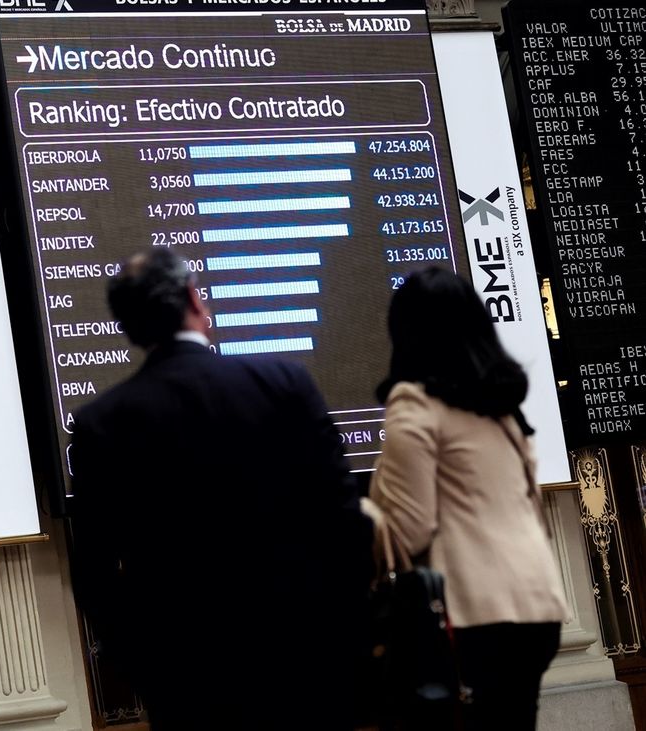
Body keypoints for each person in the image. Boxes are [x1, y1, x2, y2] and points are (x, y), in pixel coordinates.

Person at [67, 249, 371, 729]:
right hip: (304, 657)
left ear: (128, 329)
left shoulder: (100, 425)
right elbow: (344, 519)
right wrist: (346, 635)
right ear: (194, 298)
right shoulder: (283, 383)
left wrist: (146, 668)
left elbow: (94, 576)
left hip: (186, 680)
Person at [368, 267, 566, 730]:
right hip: (537, 606)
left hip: (472, 614)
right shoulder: (502, 409)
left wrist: (348, 511)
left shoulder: (414, 403)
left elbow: (406, 528)